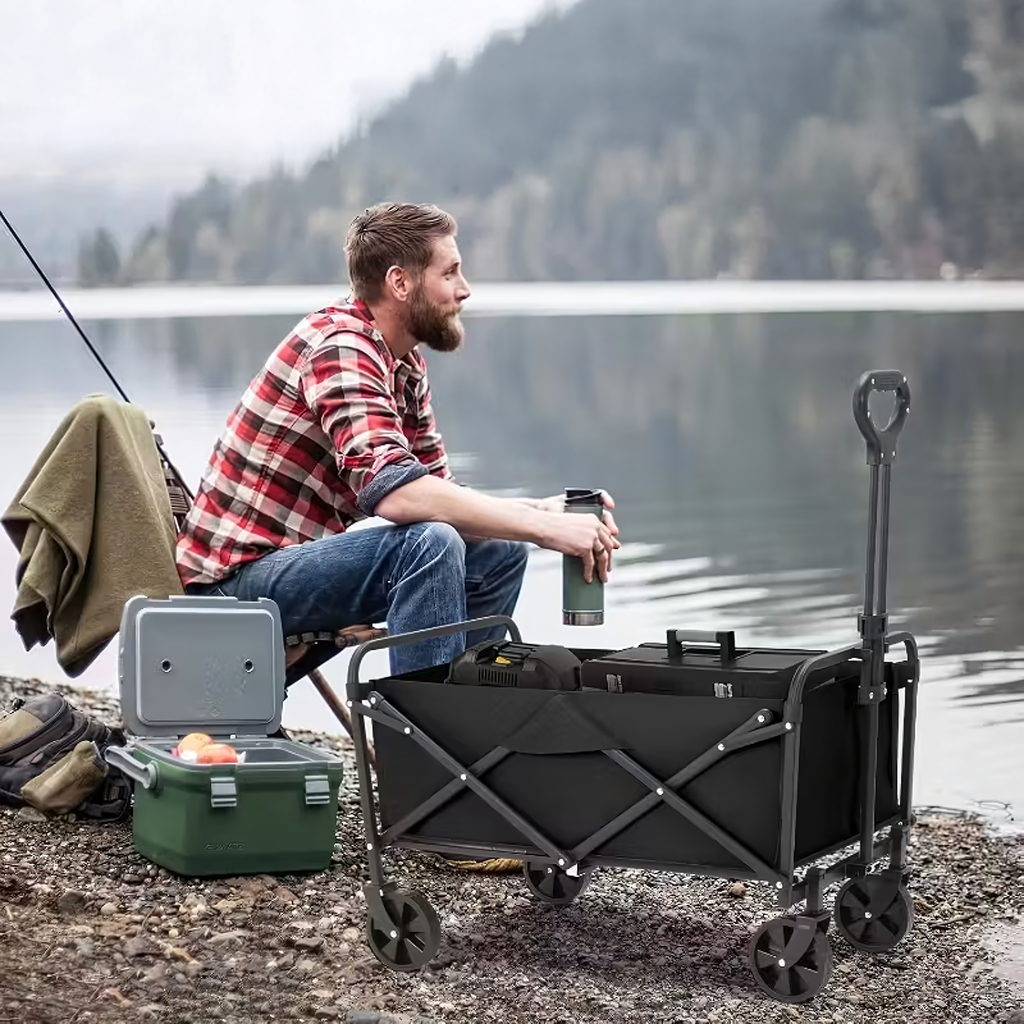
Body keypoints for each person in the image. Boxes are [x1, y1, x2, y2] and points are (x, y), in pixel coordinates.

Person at [176, 202, 619, 676]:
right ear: (400, 283)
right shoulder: (341, 345)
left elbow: (440, 494)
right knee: (427, 545)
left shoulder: (402, 365)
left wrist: (537, 511)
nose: (465, 290)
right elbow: (397, 494)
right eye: (450, 273)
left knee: (497, 551)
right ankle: (421, 733)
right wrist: (545, 531)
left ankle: (472, 716)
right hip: (230, 585)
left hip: (287, 570)